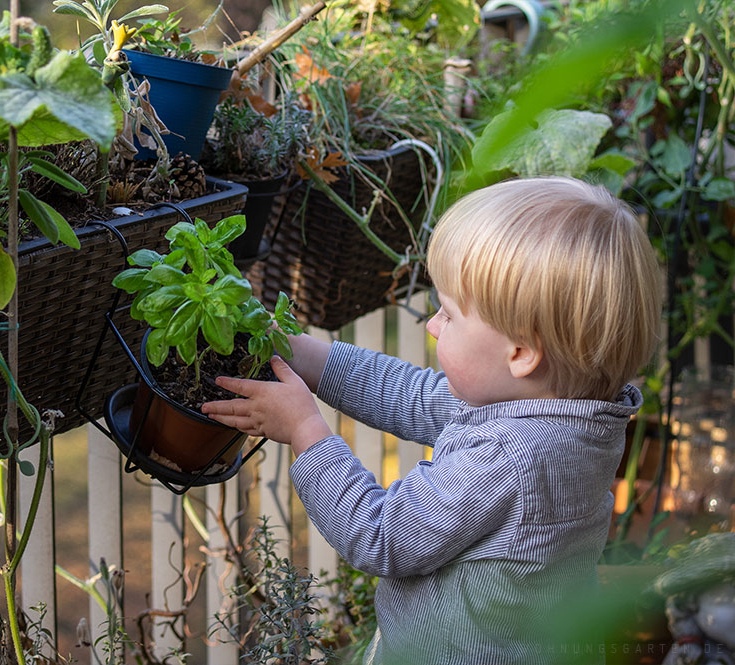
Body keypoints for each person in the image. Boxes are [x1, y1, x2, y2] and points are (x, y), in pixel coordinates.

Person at [201, 176, 663, 665]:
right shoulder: (562, 413)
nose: (432, 325)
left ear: (522, 352)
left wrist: (304, 430)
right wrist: (299, 353)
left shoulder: (511, 456)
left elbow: (381, 536)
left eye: (448, 314)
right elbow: (413, 396)